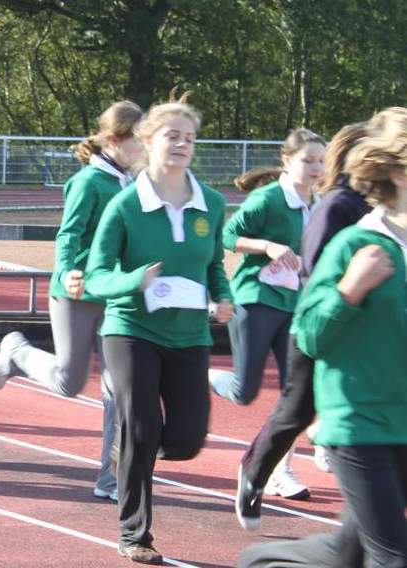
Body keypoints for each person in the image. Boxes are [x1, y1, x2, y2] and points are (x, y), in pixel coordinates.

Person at [239, 116, 407, 568]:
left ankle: (262, 563)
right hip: (360, 425)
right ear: (398, 172)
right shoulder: (359, 243)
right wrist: (349, 291)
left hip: (404, 423)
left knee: (344, 553)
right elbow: (310, 334)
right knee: (393, 558)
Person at [84, 93, 232, 564]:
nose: (182, 144)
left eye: (190, 138)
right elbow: (96, 275)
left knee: (188, 439)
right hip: (131, 329)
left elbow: (213, 266)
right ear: (148, 142)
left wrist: (223, 296)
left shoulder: (211, 201)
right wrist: (134, 280)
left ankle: (130, 451)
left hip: (189, 333)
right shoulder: (126, 205)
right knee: (143, 427)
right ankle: (135, 534)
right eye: (173, 136)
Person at [0, 101, 145, 505]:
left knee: (119, 391)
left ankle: (111, 479)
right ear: (114, 140)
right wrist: (67, 271)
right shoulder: (89, 182)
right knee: (69, 383)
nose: (144, 148)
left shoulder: (135, 183)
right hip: (75, 292)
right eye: (138, 140)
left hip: (115, 299)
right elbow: (68, 235)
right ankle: (17, 352)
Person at [206, 129, 326, 501]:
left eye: (321, 161)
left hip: (295, 305)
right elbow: (226, 236)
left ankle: (279, 470)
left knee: (297, 394)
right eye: (308, 160)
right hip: (256, 298)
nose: (316, 168)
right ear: (288, 161)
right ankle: (201, 373)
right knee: (245, 392)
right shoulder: (268, 198)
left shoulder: (319, 203)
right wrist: (269, 246)